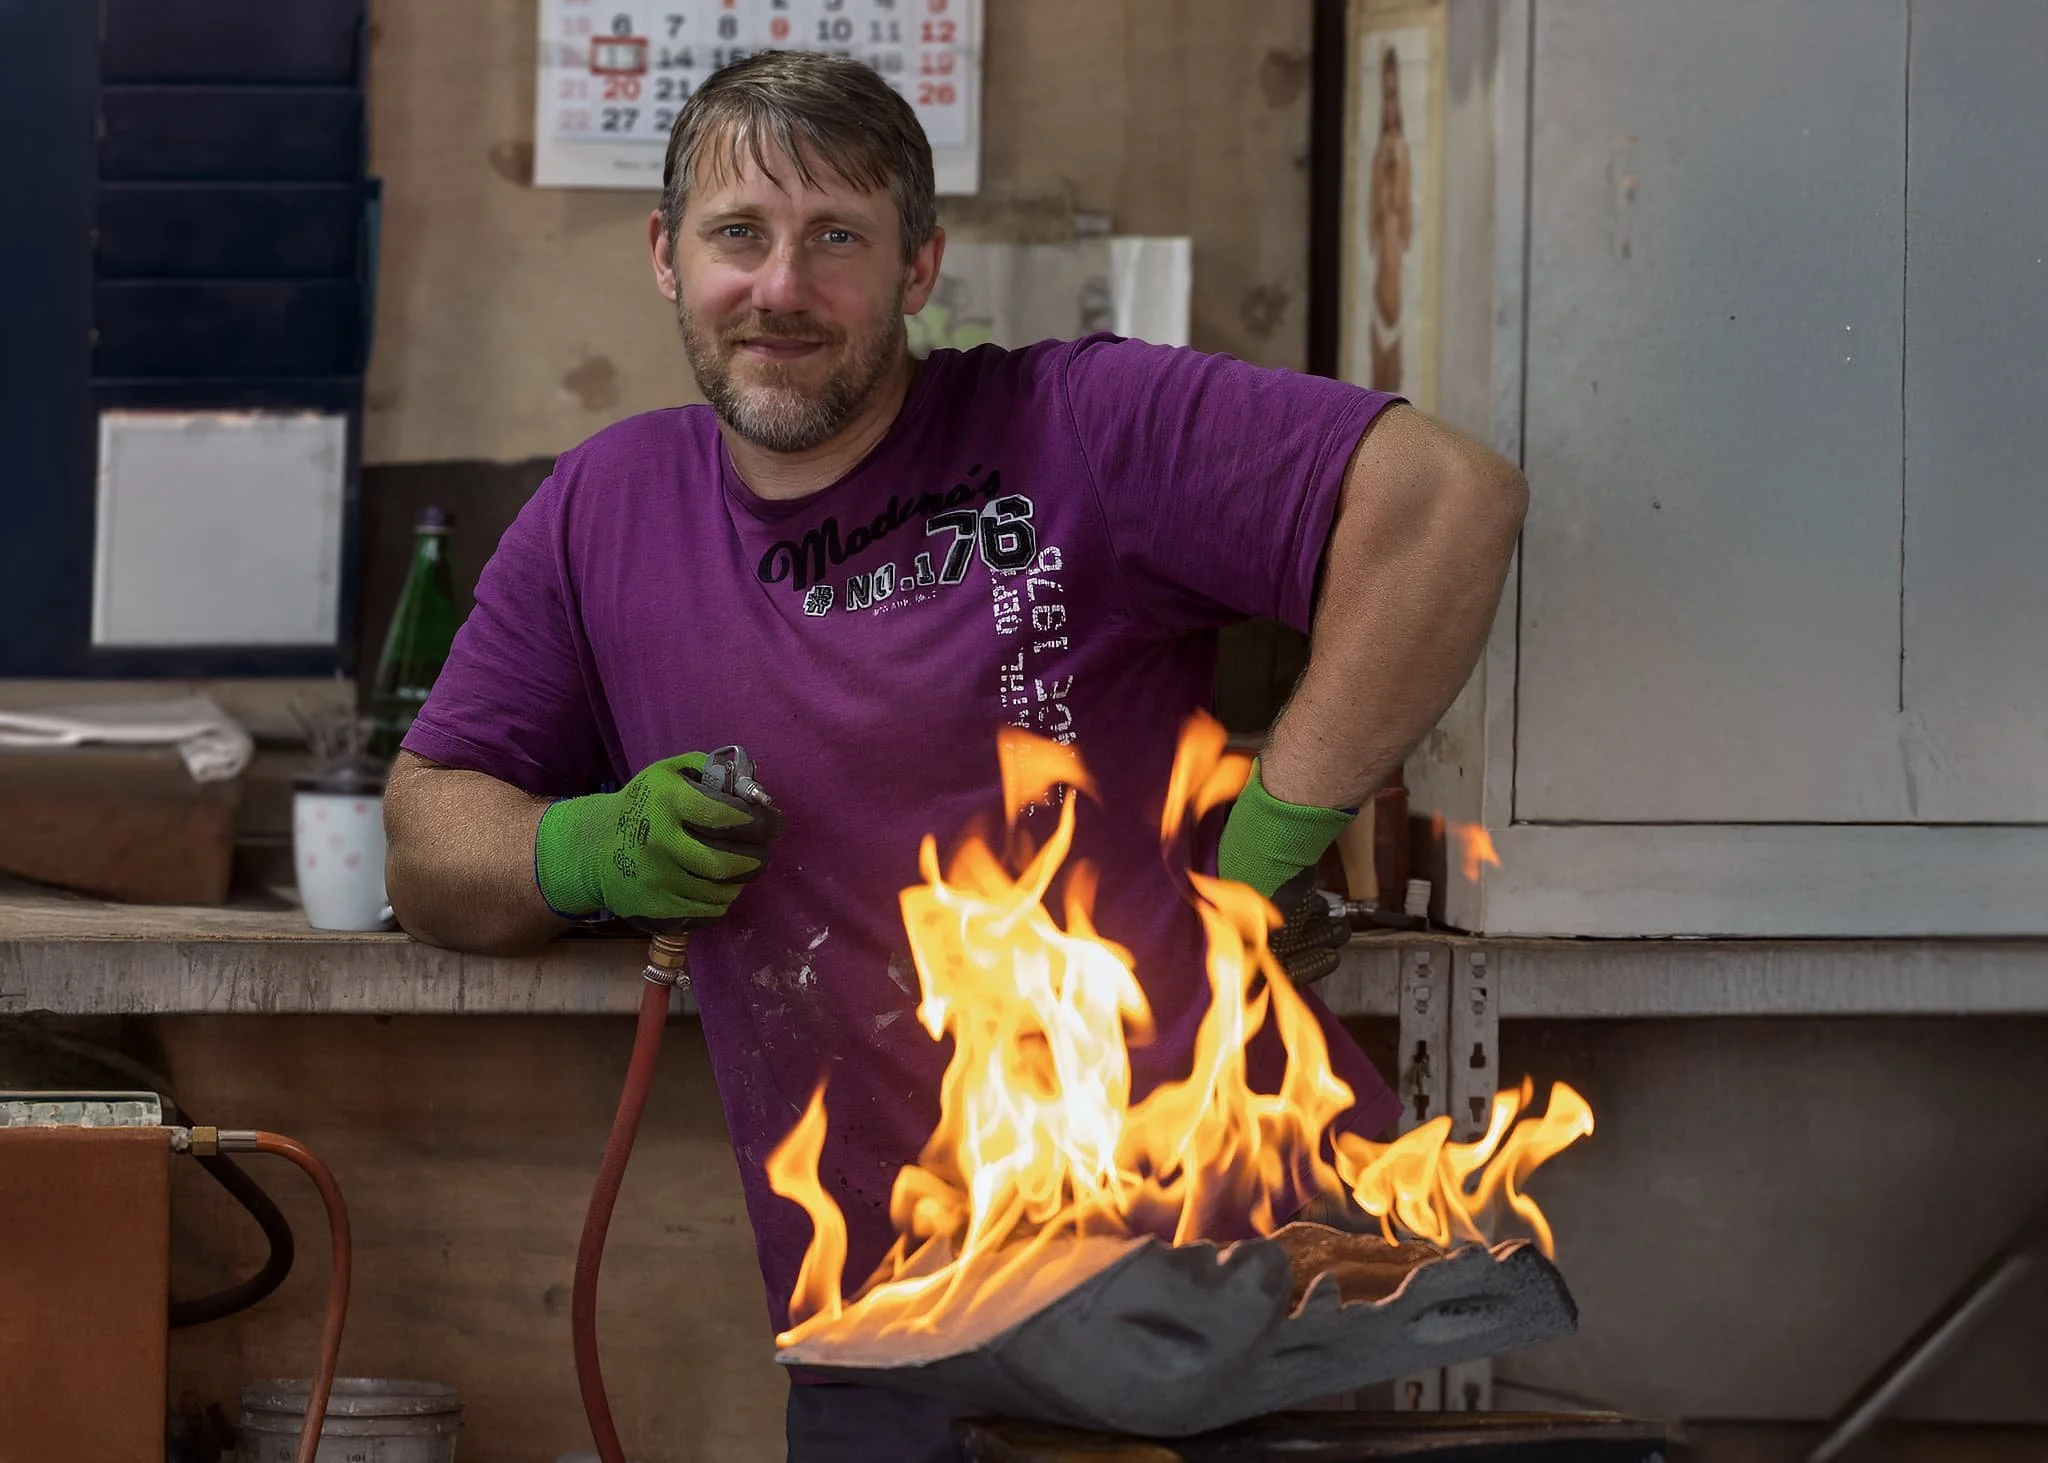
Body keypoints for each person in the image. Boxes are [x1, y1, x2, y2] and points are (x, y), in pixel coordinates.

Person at [384, 51, 1525, 1463]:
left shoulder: (1084, 425)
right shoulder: (604, 508)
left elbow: (1447, 503)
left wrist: (1268, 840)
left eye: (839, 239)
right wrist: (584, 848)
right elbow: (428, 833)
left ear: (920, 265)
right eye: (739, 234)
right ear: (667, 259)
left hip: (1191, 1293)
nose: (782, 287)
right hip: (881, 1315)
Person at [1367, 43, 1413, 394]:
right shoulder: (1380, 153)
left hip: (1394, 236)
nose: (1390, 109)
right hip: (1385, 238)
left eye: (1394, 98)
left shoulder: (1400, 151)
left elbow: (1401, 203)